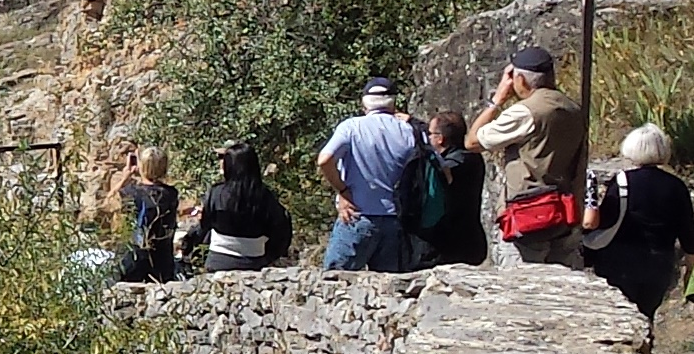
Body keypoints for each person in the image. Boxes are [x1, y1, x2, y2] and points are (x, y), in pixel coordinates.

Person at [475, 44, 591, 267]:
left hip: (528, 213)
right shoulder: (573, 109)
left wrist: (496, 100)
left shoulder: (525, 112)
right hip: (565, 211)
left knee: (521, 277)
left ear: (520, 79)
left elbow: (472, 142)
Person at [314, 76, 423, 272]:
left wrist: (343, 191)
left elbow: (324, 160)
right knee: (388, 285)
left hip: (356, 215)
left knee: (335, 280)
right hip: (395, 219)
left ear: (364, 103)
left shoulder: (351, 127)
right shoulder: (410, 131)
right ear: (393, 102)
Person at [586, 125, 692, 317]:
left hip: (620, 261)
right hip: (660, 263)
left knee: (619, 315)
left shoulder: (622, 181)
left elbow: (606, 221)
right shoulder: (676, 186)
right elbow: (688, 235)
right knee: (646, 313)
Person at [190, 142, 296, 272]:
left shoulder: (216, 194)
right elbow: (281, 229)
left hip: (218, 262)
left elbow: (205, 224)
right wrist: (268, 256)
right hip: (254, 263)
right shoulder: (265, 197)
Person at [420, 111, 491, 268]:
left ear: (440, 138)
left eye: (429, 133)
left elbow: (444, 173)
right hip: (467, 238)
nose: (427, 138)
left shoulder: (460, 161)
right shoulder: (471, 156)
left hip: (453, 242)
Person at [115, 145, 181, 283]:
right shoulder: (171, 194)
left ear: (141, 166)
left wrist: (125, 177)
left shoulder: (130, 193)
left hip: (134, 260)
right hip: (162, 262)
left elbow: (107, 203)